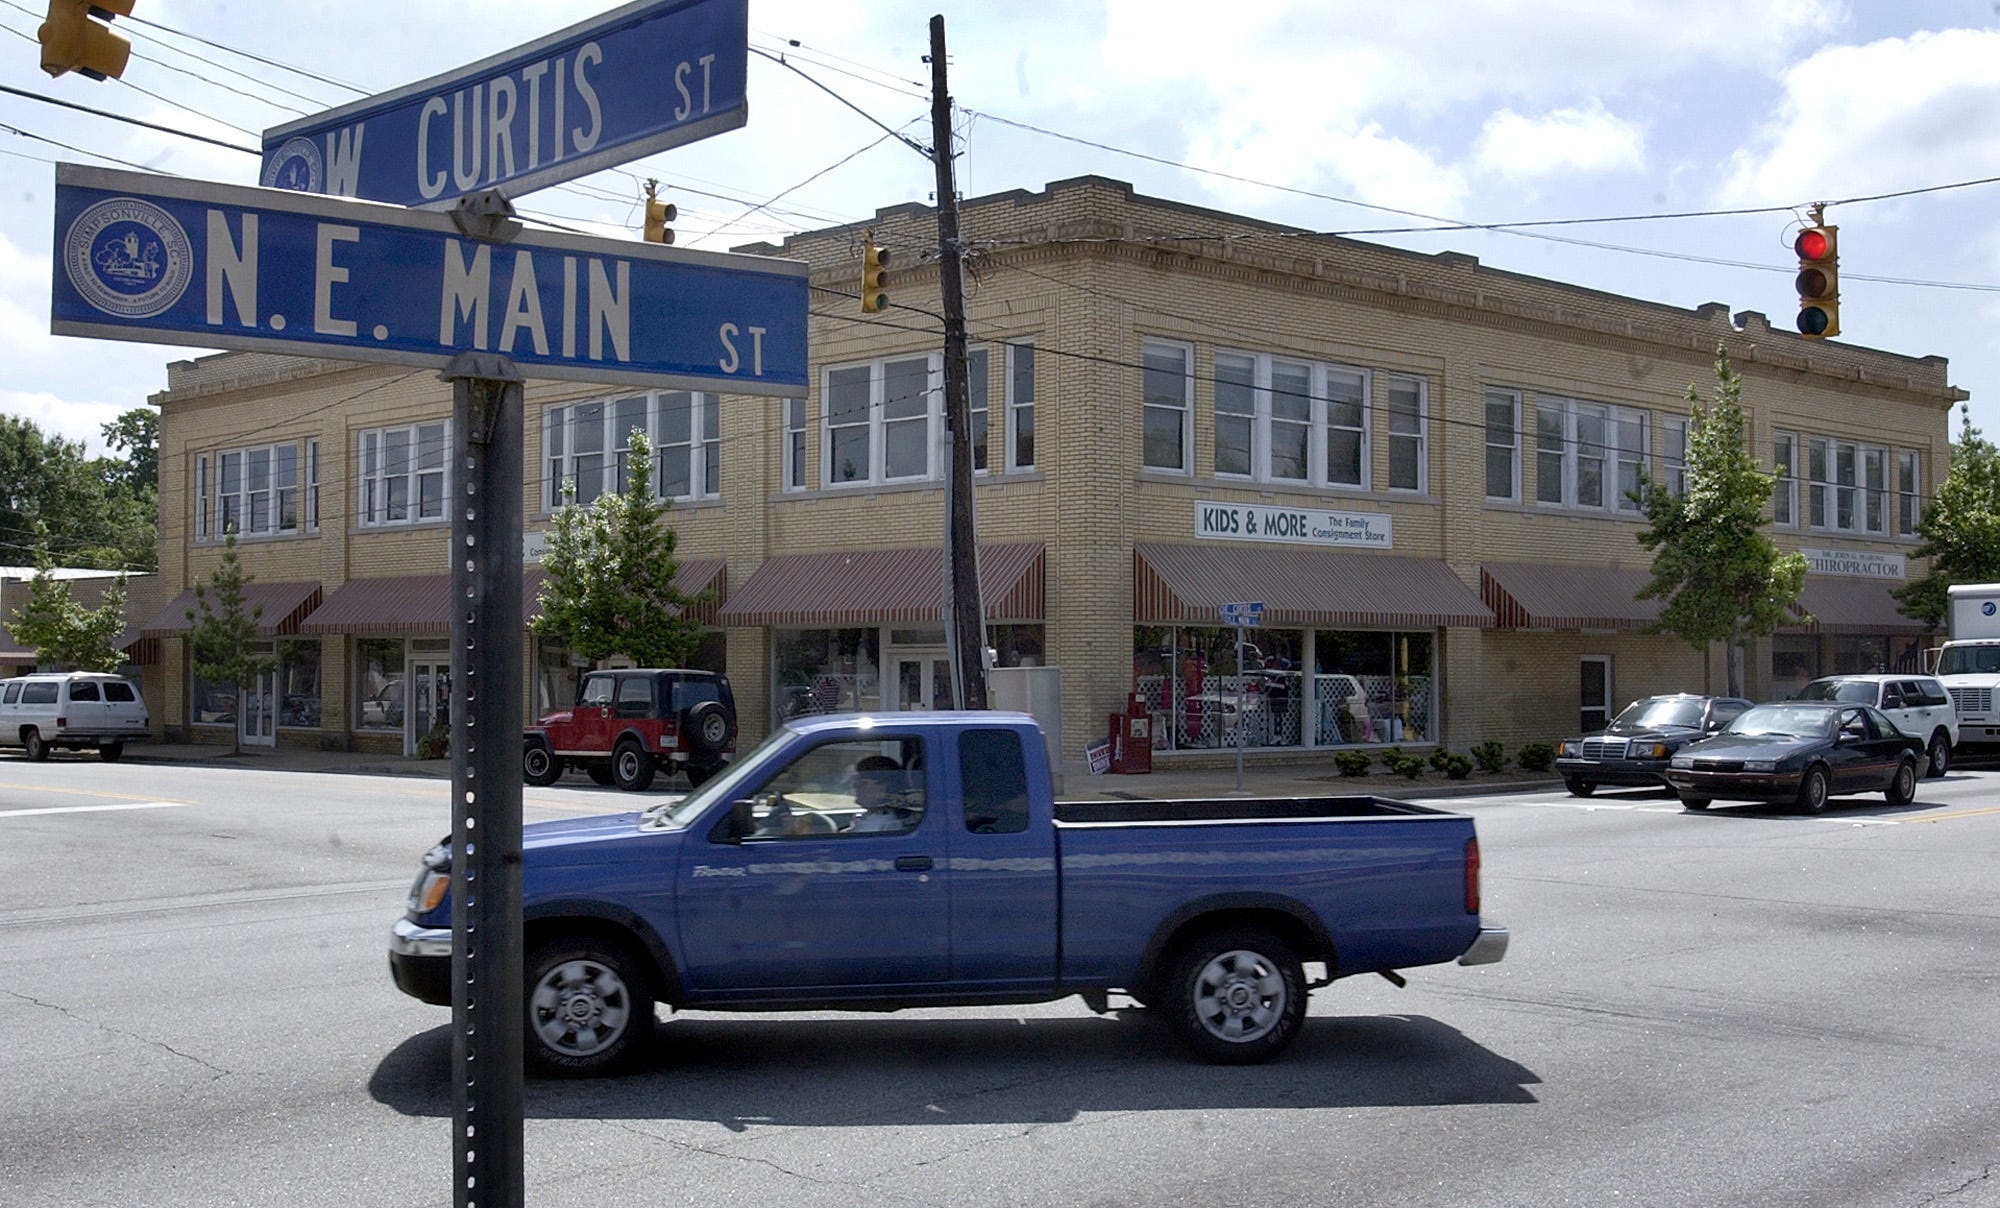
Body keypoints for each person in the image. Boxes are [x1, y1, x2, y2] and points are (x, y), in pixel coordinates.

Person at [848, 754, 918, 833]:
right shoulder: (876, 817)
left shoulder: (883, 824)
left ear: (885, 788)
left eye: (862, 783)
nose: (855, 786)